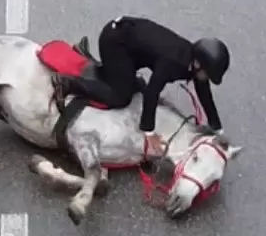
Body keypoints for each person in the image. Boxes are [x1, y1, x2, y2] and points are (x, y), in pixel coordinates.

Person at [50, 16, 228, 153]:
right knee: (121, 96)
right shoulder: (173, 62)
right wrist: (149, 133)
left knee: (136, 86)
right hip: (115, 43)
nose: (207, 79)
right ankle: (69, 84)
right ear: (198, 65)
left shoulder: (193, 59)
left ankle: (101, 69)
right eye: (208, 74)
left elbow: (204, 94)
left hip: (128, 43)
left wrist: (217, 130)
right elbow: (153, 92)